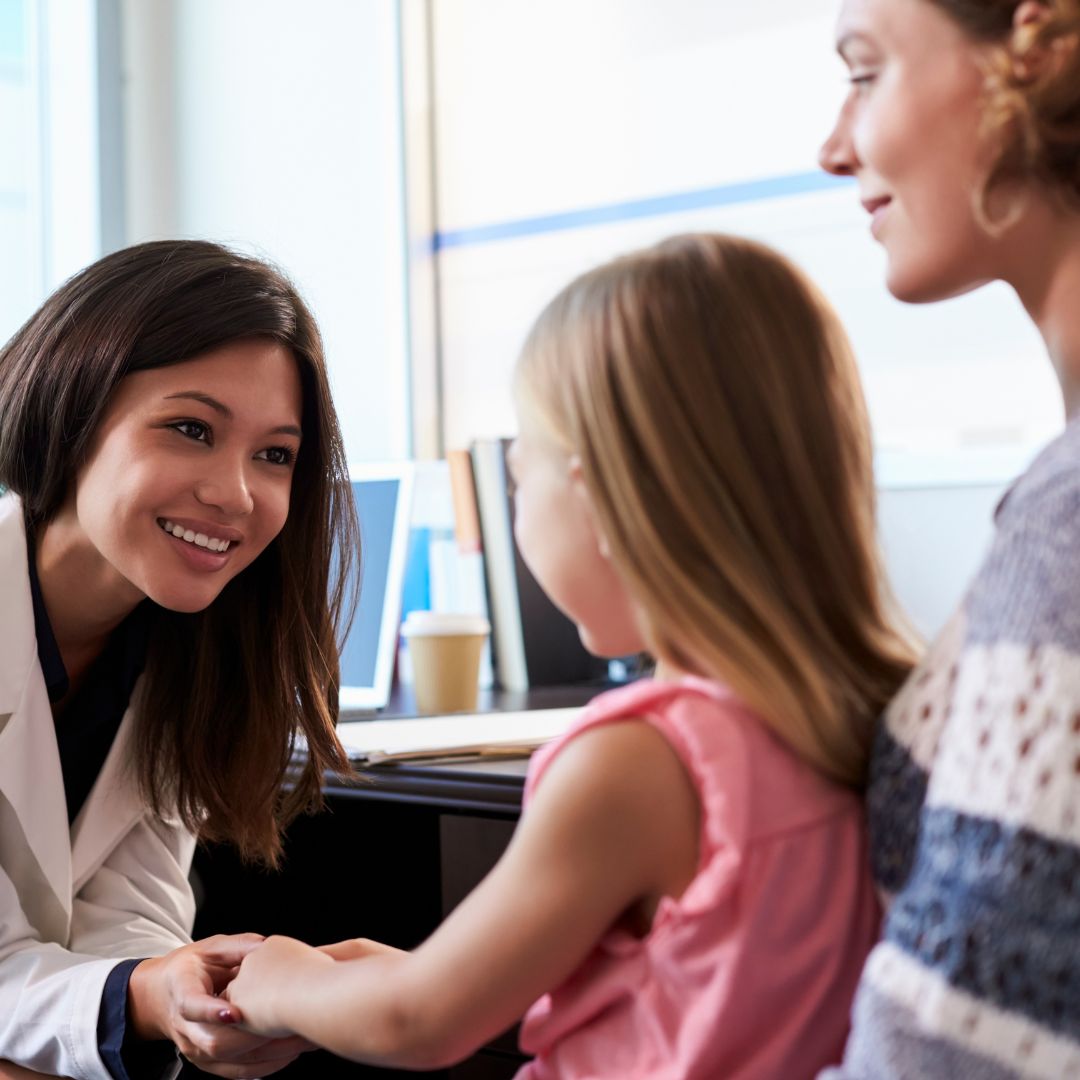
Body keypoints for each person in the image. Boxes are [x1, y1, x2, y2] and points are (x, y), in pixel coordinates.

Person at [223, 232, 917, 1078]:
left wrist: (279, 978)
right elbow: (687, 981)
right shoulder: (880, 705)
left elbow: (418, 1021)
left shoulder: (638, 760)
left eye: (520, 475)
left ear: (595, 492)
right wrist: (405, 970)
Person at [0, 239, 360, 1080]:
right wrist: (147, 998)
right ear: (71, 411)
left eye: (275, 454)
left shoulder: (191, 657)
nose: (236, 494)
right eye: (190, 429)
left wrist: (188, 989)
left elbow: (126, 913)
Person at [818, 0, 1080, 1075]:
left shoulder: (1064, 522)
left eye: (867, 72)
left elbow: (942, 1057)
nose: (833, 148)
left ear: (1040, 55)